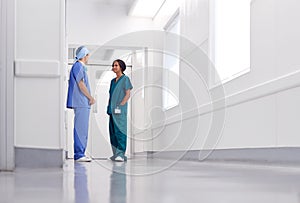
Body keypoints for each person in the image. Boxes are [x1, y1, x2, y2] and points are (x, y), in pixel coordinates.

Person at [66, 46, 95, 162]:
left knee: (83, 128)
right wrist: (90, 97)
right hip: (81, 102)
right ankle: (79, 154)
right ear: (84, 55)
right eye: (88, 55)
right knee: (80, 129)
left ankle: (81, 153)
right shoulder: (78, 66)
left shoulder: (80, 67)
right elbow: (81, 84)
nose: (88, 58)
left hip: (82, 102)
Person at [107, 59, 133, 162]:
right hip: (112, 110)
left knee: (120, 132)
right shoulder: (112, 81)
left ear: (121, 67)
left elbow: (128, 94)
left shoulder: (125, 79)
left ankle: (121, 154)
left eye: (116, 65)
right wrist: (110, 107)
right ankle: (115, 154)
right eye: (113, 65)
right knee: (112, 132)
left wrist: (121, 106)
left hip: (120, 111)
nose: (114, 67)